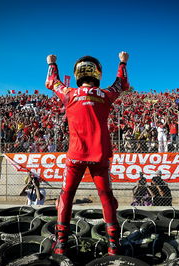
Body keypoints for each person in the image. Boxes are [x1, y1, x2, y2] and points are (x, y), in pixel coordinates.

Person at [45, 51, 130, 256]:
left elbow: (51, 81)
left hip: (75, 156)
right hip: (100, 156)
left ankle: (61, 244)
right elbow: (122, 83)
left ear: (77, 74)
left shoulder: (69, 94)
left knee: (66, 196)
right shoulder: (106, 95)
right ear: (97, 74)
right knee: (106, 197)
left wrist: (52, 64)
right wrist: (122, 62)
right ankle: (113, 245)